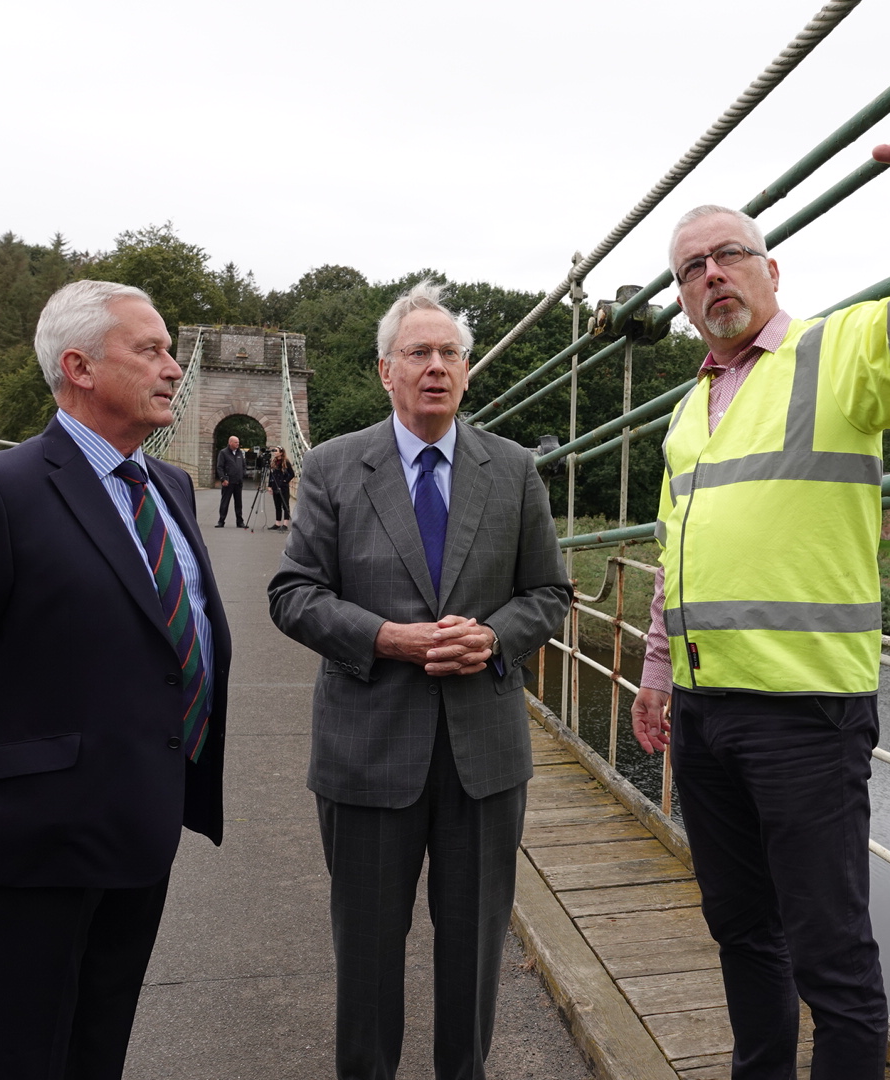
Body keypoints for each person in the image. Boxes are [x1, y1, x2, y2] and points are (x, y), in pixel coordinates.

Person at [629, 73, 890, 1080]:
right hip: (705, 714)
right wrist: (656, 673)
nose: (710, 276)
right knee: (740, 931)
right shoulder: (681, 414)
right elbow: (676, 558)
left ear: (770, 269)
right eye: (689, 267)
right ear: (678, 295)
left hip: (804, 712)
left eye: (727, 257)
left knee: (831, 957)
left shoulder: (835, 355)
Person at [0, 279, 231, 1080]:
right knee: (19, 1060)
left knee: (97, 1054)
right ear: (81, 367)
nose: (174, 368)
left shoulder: (167, 488)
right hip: (27, 849)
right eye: (152, 350)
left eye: (174, 351)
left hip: (141, 833)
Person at [268, 280, 571, 1080]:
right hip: (368, 751)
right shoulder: (333, 468)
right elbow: (292, 594)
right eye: (418, 353)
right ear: (385, 372)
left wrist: (495, 636)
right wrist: (385, 638)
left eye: (450, 354)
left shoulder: (513, 470)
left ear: (468, 372)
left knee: (474, 958)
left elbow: (549, 594)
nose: (435, 366)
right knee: (366, 958)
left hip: (484, 757)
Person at [215, 433, 246, 527]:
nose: (238, 444)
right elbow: (219, 467)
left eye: (238, 442)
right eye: (236, 442)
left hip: (238, 482)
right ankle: (221, 521)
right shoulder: (223, 452)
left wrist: (242, 474)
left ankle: (240, 522)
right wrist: (223, 478)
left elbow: (243, 465)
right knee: (225, 502)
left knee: (239, 503)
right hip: (227, 482)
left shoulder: (240, 452)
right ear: (230, 443)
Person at [267, 447, 295, 530]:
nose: (275, 452)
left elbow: (292, 474)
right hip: (275, 486)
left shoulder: (285, 462)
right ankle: (277, 523)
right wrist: (270, 486)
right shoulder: (274, 462)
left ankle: (285, 524)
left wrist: (285, 481)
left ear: (281, 453)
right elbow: (272, 475)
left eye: (276, 451)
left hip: (283, 487)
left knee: (285, 505)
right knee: (277, 505)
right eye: (274, 451)